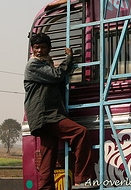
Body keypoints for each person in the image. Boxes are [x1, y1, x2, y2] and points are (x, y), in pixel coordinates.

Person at [24, 33, 97, 190]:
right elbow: (57, 75)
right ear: (32, 49)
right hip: (46, 115)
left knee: (47, 155)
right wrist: (69, 59)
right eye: (37, 48)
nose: (40, 51)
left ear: (49, 49)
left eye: (43, 47)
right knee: (80, 133)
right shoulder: (34, 65)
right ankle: (82, 178)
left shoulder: (44, 64)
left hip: (44, 116)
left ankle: (45, 187)